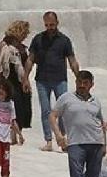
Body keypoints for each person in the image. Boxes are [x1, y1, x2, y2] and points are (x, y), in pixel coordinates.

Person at [48, 70, 105, 177]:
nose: (82, 85)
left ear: (91, 84)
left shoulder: (96, 101)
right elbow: (53, 115)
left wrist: (104, 142)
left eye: (85, 83)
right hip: (75, 142)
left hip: (96, 141)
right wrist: (59, 136)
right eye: (79, 82)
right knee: (77, 173)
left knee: (93, 174)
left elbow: (101, 122)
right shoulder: (66, 98)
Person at [22, 11, 80, 152]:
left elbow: (72, 59)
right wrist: (25, 78)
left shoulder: (64, 40)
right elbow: (30, 59)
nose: (50, 27)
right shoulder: (38, 39)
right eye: (47, 25)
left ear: (57, 23)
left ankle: (62, 137)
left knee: (63, 110)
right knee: (46, 110)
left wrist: (79, 77)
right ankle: (48, 140)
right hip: (42, 80)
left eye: (52, 24)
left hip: (60, 79)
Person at [3, 20, 32, 136]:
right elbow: (17, 66)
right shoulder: (7, 45)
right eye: (25, 33)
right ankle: (13, 134)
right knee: (15, 107)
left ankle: (17, 133)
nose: (26, 35)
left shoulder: (22, 47)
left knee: (23, 108)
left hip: (21, 81)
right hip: (11, 80)